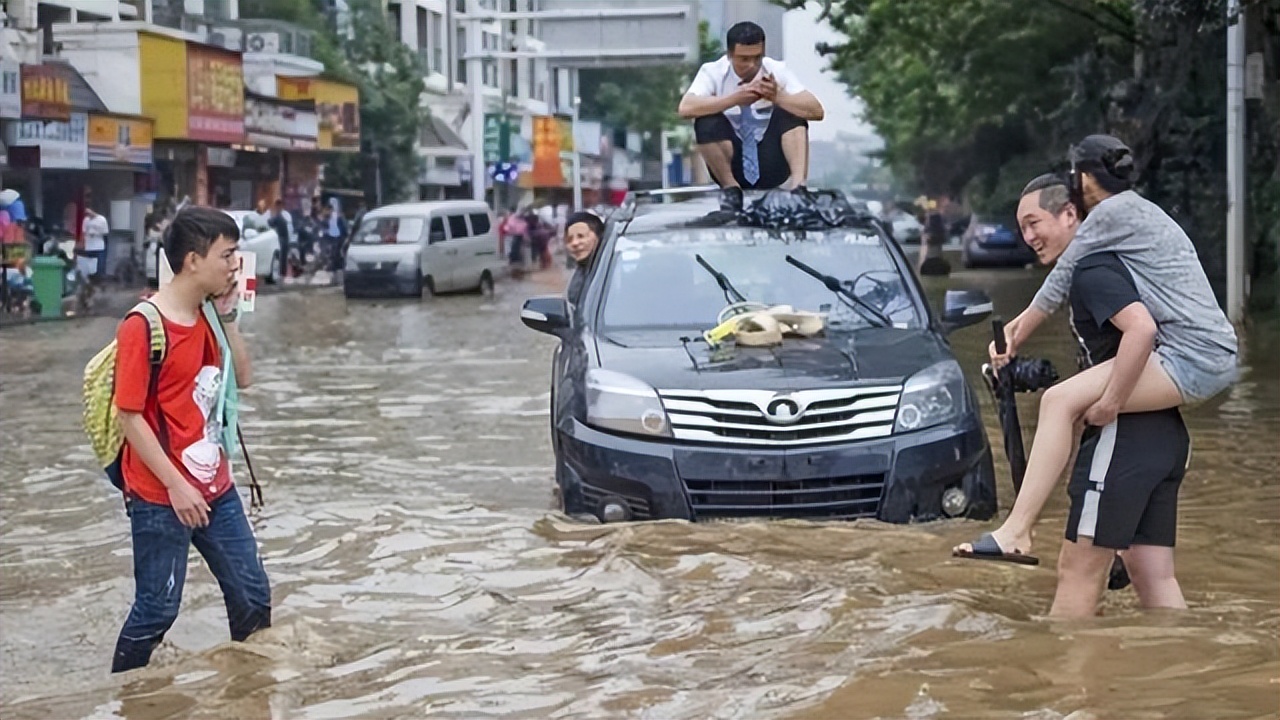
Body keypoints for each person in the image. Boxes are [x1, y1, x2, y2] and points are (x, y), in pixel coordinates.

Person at [955, 155, 1237, 562]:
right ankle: (1026, 528)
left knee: (1059, 404)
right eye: (1022, 229)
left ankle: (1017, 530)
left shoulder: (1094, 268)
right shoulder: (1119, 252)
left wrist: (1109, 403)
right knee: (1155, 580)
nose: (1028, 237)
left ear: (1071, 212)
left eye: (1034, 223)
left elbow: (1139, 331)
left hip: (1132, 430)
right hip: (1166, 436)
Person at [111, 206, 270, 672]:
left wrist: (230, 320)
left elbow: (243, 378)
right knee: (157, 609)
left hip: (215, 487)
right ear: (192, 260)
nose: (235, 264)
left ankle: (249, 691)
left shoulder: (209, 316)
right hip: (160, 494)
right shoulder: (142, 326)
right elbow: (129, 415)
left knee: (253, 596)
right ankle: (127, 695)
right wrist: (176, 486)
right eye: (228, 254)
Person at [678, 21, 824, 208]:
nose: (751, 65)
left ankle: (798, 188)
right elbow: (686, 108)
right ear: (730, 55)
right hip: (733, 162)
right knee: (706, 120)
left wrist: (778, 97)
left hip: (772, 161)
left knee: (792, 112)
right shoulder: (713, 72)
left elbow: (816, 111)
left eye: (757, 58)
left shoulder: (776, 70)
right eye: (744, 59)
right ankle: (731, 190)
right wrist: (733, 99)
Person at [564, 210, 604, 305]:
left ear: (599, 237)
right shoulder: (580, 272)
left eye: (581, 236)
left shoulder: (613, 271)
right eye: (569, 239)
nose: (574, 243)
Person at [81, 206, 110, 282]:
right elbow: (84, 231)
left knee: (100, 265)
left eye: (89, 212)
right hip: (89, 246)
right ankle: (91, 279)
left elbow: (105, 232)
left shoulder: (101, 219)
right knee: (90, 265)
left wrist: (96, 233)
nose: (88, 215)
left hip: (99, 246)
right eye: (86, 213)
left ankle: (100, 280)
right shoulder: (86, 220)